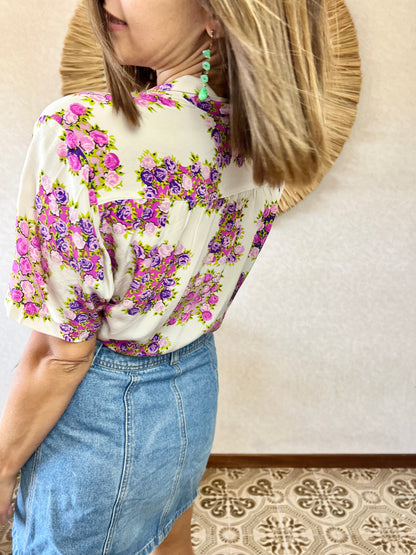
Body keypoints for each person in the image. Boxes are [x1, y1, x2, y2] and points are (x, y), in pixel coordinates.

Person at [0, 0, 331, 553]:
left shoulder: (79, 132)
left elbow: (61, 353)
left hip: (101, 419)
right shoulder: (263, 142)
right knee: (171, 537)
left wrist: (2, 469)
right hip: (194, 389)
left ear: (217, 14)